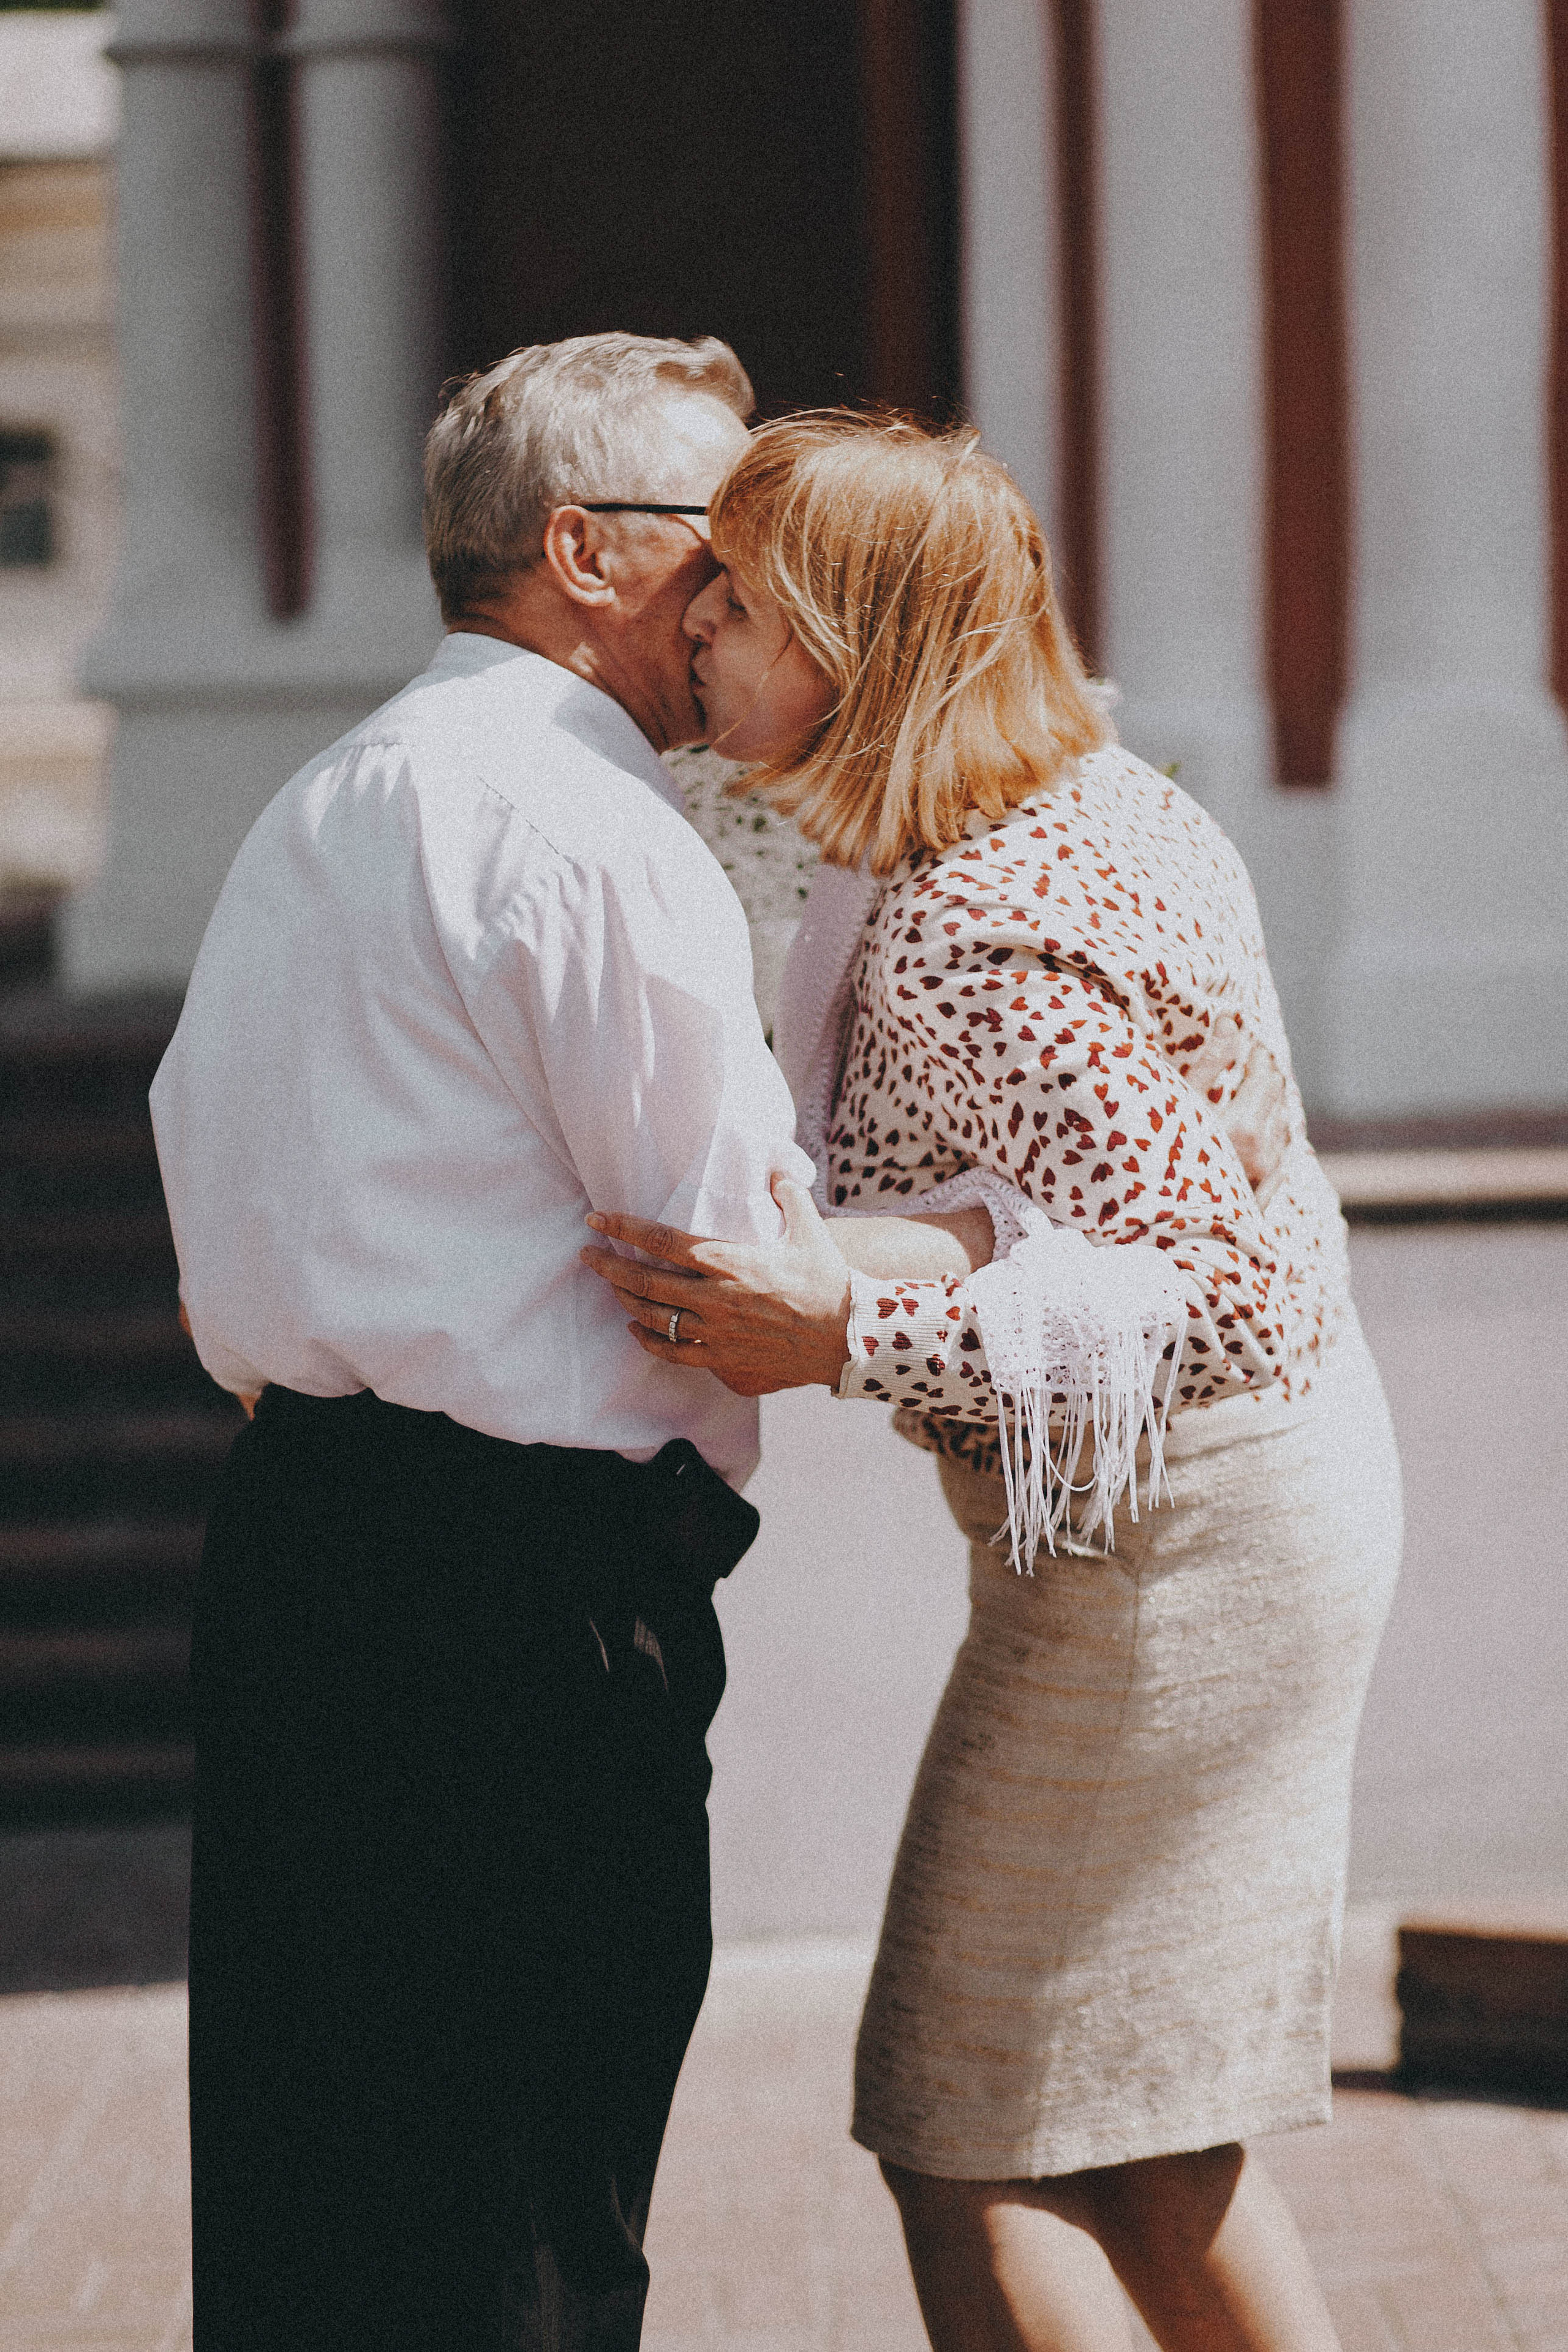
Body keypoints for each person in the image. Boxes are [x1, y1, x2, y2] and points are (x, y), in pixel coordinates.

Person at [152, 336, 979, 2352]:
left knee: (311, 2208)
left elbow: (202, 1160)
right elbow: (724, 1251)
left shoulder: (320, 801)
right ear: (585, 553)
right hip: (523, 1597)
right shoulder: (592, 833)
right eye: (725, 541)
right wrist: (963, 1235)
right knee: (528, 2208)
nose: (744, 592)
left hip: (296, 1541)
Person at [582, 412, 1403, 2352]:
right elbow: (1029, 1196)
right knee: (1137, 2122)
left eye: (746, 608)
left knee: (971, 2119)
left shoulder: (988, 925)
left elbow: (1196, 1287)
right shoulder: (1038, 796)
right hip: (1202, 1520)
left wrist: (848, 1332)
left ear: (854, 656)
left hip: (1180, 1557)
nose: (700, 634)